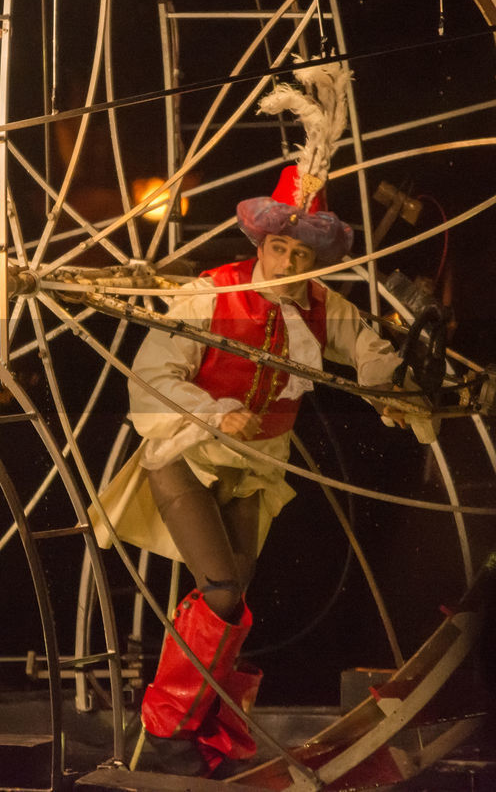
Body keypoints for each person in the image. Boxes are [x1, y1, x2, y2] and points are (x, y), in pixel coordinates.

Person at [90, 164, 416, 776]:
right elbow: (153, 377)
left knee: (235, 595)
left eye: (299, 254)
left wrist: (390, 391)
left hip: (259, 464)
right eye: (278, 249)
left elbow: (372, 354)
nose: (288, 264)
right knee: (222, 588)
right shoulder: (210, 293)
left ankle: (203, 725)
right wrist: (214, 413)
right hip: (188, 450)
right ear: (259, 244)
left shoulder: (324, 304)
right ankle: (166, 733)